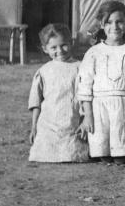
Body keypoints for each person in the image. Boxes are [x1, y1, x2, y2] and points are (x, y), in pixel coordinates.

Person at [77, 1, 125, 164]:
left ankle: (122, 153)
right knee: (102, 150)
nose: (114, 27)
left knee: (122, 154)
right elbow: (85, 85)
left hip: (124, 105)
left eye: (119, 22)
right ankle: (102, 152)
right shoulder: (94, 52)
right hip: (99, 106)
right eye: (109, 22)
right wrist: (88, 115)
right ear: (102, 25)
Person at [28, 23, 89, 163]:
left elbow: (86, 96)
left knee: (72, 153)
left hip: (72, 121)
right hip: (49, 124)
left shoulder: (80, 67)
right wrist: (34, 126)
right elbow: (36, 102)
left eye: (64, 45)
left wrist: (86, 119)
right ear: (45, 49)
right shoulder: (43, 71)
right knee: (45, 152)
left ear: (71, 43)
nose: (60, 50)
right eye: (53, 47)